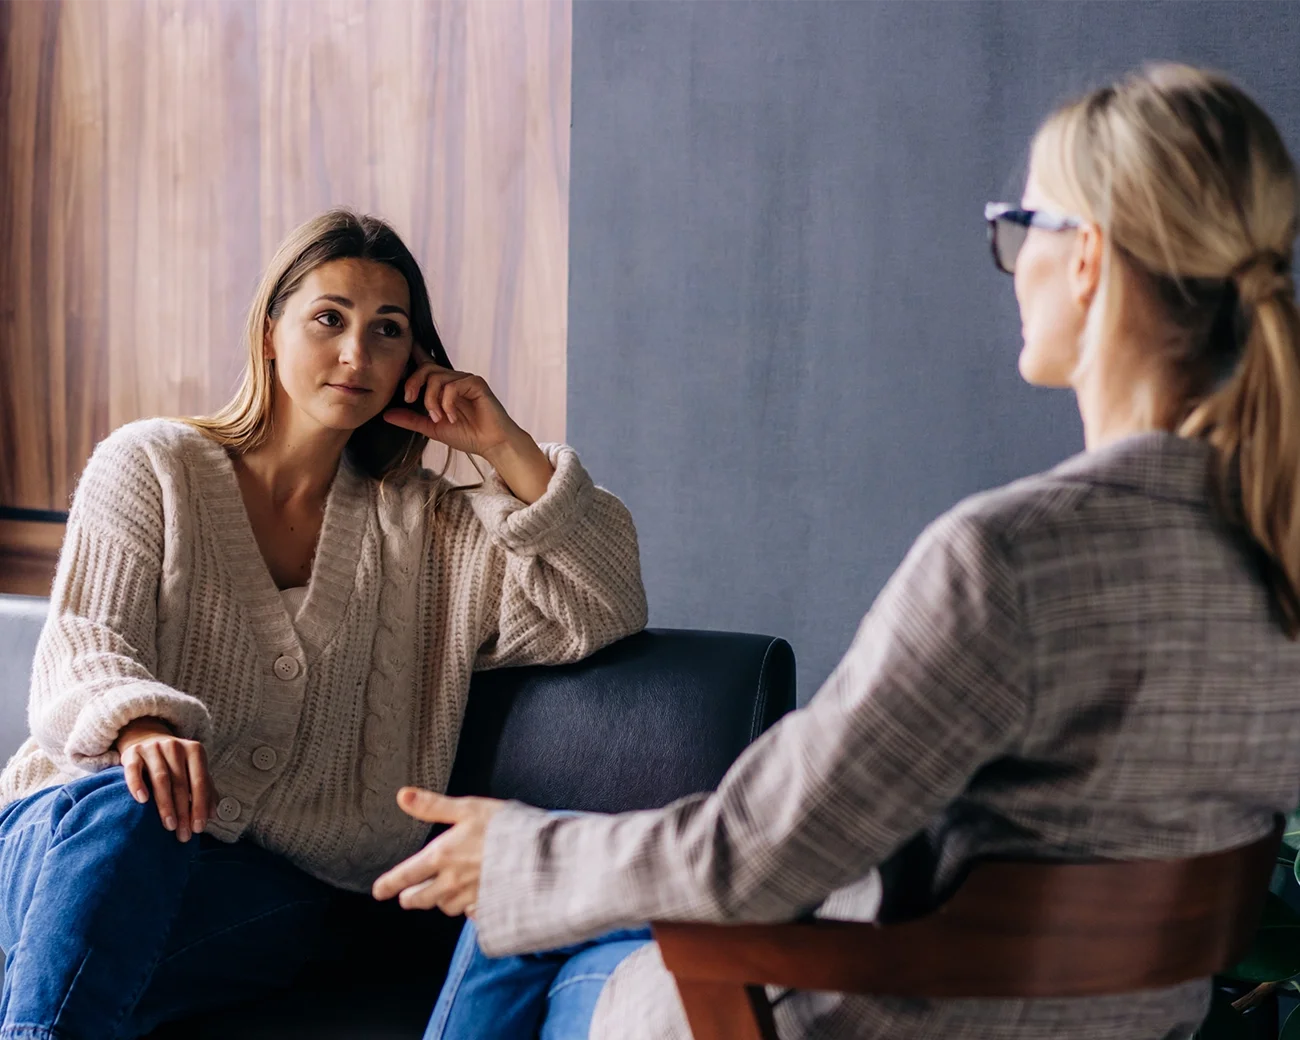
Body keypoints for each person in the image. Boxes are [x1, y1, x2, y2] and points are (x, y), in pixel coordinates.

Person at [374, 63, 1300, 1040]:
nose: (1010, 258)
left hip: (877, 1015)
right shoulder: (1268, 553)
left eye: (1019, 226)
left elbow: (756, 853)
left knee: (537, 933)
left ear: (1085, 261)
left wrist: (519, 853)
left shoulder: (1011, 561)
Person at [0, 209, 647, 1038]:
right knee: (131, 814)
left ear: (416, 360)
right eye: (328, 319)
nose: (357, 355)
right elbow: (84, 641)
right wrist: (142, 727)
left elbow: (606, 603)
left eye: (388, 331)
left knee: (142, 952)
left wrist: (507, 446)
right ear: (271, 333)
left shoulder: (432, 533)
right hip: (73, 836)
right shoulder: (152, 463)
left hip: (266, 893)